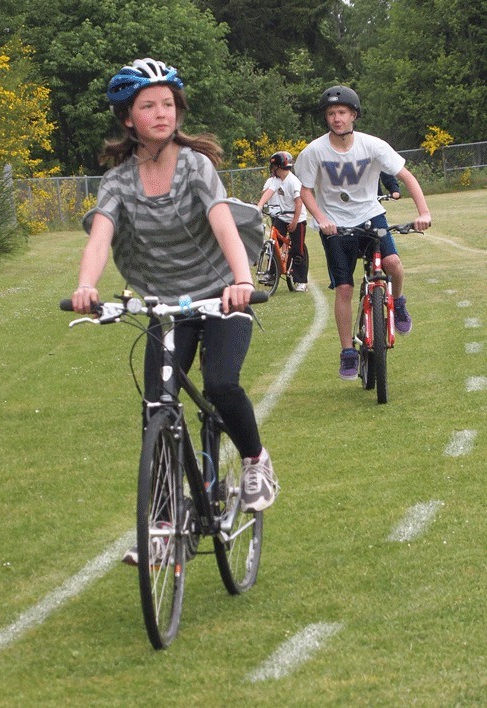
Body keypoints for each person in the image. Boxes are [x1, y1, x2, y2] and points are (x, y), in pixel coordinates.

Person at [71, 58, 277, 556]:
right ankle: (164, 526)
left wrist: (242, 281)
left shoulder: (194, 165)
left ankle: (254, 460)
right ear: (128, 118)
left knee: (221, 384)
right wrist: (86, 286)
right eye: (148, 106)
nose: (161, 113)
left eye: (168, 104)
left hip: (222, 293)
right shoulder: (119, 180)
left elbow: (222, 220)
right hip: (166, 305)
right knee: (156, 408)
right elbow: (101, 236)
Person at [295, 85, 432, 380]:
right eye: (331, 113)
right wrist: (321, 218)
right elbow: (305, 190)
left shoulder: (373, 146)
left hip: (370, 217)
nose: (336, 118)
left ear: (354, 115)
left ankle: (398, 301)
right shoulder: (313, 152)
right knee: (344, 288)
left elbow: (405, 175)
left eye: (342, 112)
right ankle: (347, 351)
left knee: (393, 265)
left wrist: (424, 213)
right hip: (335, 225)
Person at [257, 151, 309, 291]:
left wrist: (294, 222)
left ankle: (301, 281)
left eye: (274, 167)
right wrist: (259, 206)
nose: (272, 170)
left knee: (297, 249)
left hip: (297, 218)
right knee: (274, 244)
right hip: (282, 215)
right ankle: (271, 274)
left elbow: (299, 203)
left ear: (279, 167)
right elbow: (269, 192)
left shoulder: (293, 182)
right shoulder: (276, 180)